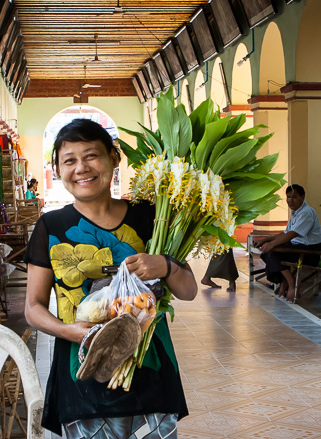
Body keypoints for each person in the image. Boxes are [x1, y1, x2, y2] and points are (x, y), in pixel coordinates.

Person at [24, 119, 197, 438]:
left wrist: (166, 265)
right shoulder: (51, 227)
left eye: (91, 155)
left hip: (149, 369)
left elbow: (188, 291)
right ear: (58, 170)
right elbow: (33, 307)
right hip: (83, 370)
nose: (81, 168)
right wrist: (70, 332)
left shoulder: (151, 217)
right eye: (69, 160)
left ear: (114, 159)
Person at [255, 184, 321, 302]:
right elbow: (286, 233)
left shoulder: (306, 212)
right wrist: (267, 240)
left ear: (302, 197)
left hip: (309, 250)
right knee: (267, 253)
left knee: (271, 253)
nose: (290, 200)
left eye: (294, 197)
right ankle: (284, 282)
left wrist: (273, 244)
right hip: (297, 246)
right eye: (288, 197)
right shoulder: (297, 212)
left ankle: (290, 283)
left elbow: (293, 233)